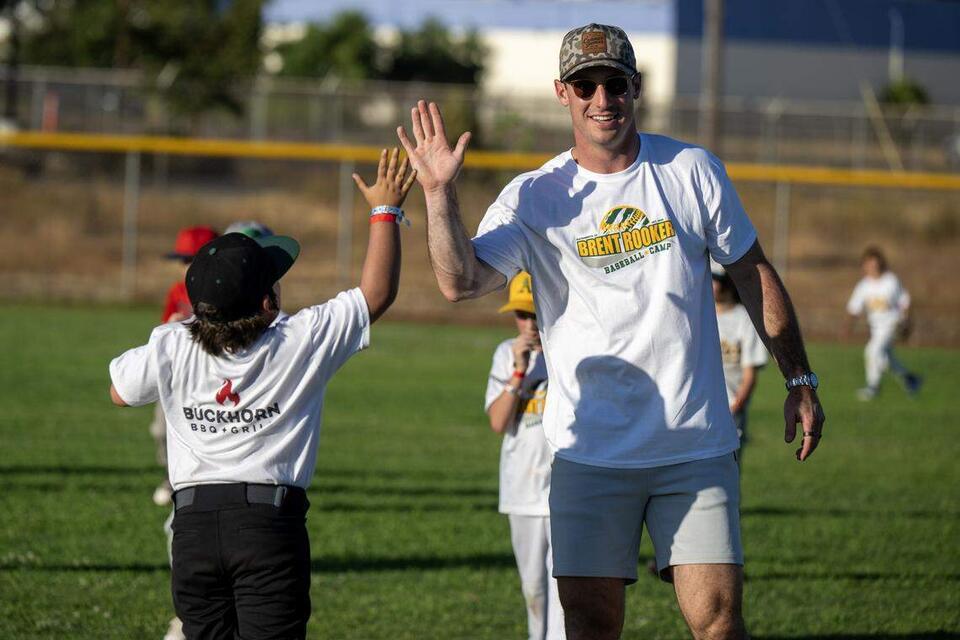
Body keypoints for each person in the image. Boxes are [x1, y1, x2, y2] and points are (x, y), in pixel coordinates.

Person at [397, 23, 824, 640]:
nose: (602, 97)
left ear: (636, 88)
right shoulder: (535, 196)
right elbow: (459, 281)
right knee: (591, 626)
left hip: (694, 445)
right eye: (585, 84)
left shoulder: (691, 170)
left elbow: (754, 275)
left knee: (719, 622)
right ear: (562, 92)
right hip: (588, 452)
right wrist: (439, 193)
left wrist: (800, 378)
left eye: (615, 82)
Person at [108, 148, 414, 639]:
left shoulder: (172, 341)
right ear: (268, 301)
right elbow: (375, 295)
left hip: (192, 528)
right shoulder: (298, 339)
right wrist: (385, 210)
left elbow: (120, 392)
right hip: (267, 526)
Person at [484, 271, 564, 640]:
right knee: (533, 588)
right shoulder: (506, 354)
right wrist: (519, 374)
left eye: (534, 313)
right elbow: (499, 422)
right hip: (522, 489)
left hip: (564, 489)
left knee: (564, 589)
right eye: (521, 314)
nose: (529, 324)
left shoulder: (568, 349)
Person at [152, 225, 219, 507]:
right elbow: (163, 329)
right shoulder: (177, 291)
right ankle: (172, 478)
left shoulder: (222, 292)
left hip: (210, 375)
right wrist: (172, 325)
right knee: (161, 429)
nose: (184, 267)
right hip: (177, 374)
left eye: (189, 260)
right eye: (181, 260)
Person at [844, 246, 922, 401]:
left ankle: (873, 387)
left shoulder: (891, 281)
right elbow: (854, 309)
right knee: (885, 360)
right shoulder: (863, 286)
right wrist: (847, 327)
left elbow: (905, 302)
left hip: (893, 324)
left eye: (875, 264)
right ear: (864, 266)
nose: (873, 267)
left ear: (881, 263)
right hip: (876, 329)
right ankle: (910, 379)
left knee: (872, 351)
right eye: (869, 264)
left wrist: (906, 322)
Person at [712, 264, 767, 451]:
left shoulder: (745, 318)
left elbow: (750, 375)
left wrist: (736, 406)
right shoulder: (698, 313)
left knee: (728, 470)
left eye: (714, 279)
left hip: (731, 407)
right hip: (698, 406)